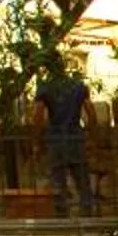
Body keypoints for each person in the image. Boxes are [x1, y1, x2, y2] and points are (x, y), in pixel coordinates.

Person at [35, 58, 97, 216]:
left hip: (55, 137)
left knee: (58, 179)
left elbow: (38, 114)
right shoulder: (78, 85)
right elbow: (90, 109)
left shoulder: (45, 87)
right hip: (75, 136)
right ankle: (87, 210)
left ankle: (62, 213)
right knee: (81, 176)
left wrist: (38, 137)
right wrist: (90, 132)